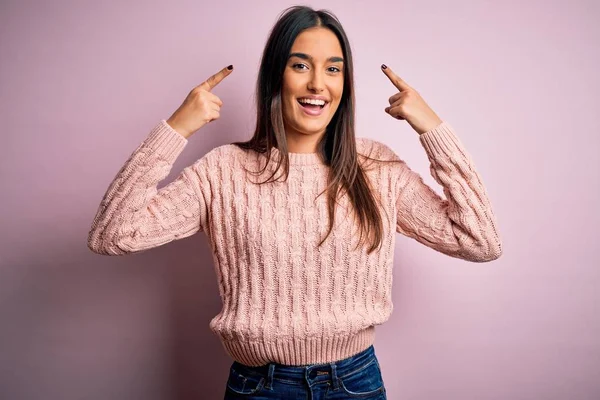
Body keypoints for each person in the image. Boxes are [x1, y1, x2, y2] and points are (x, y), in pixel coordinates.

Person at [87, 5, 502, 399]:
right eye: (300, 65)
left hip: (355, 384)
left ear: (345, 84)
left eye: (333, 69)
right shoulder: (223, 170)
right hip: (259, 387)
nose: (318, 84)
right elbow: (112, 234)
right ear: (275, 77)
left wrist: (431, 128)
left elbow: (479, 241)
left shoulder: (376, 168)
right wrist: (176, 128)